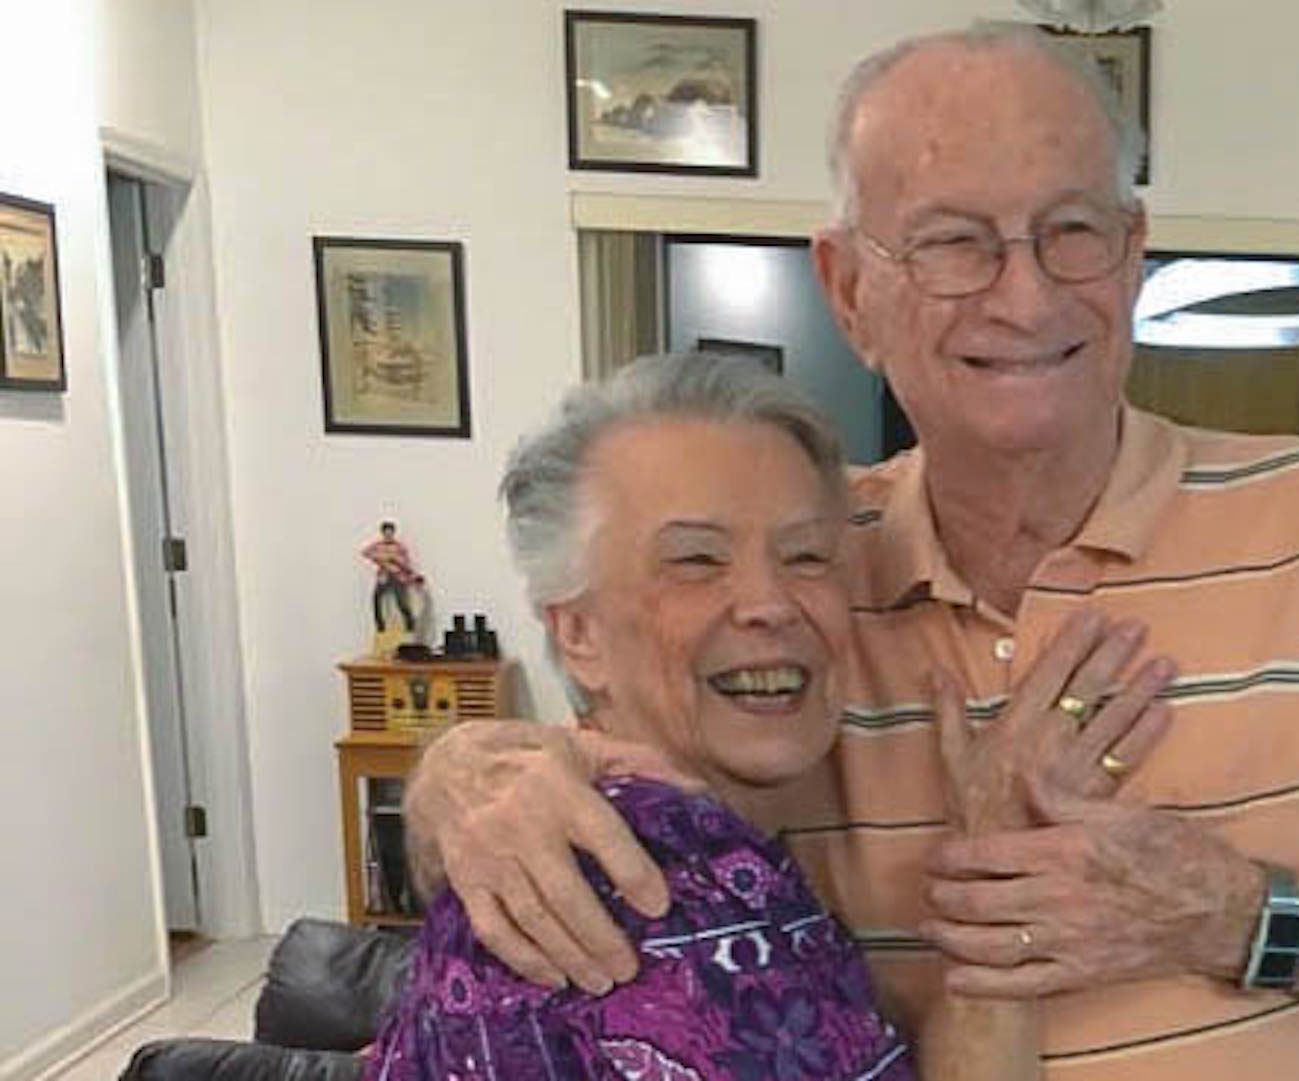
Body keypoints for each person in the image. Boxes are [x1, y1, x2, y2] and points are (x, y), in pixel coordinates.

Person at [404, 26, 1299, 1079]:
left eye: (1070, 233)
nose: (1023, 297)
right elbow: (605, 774)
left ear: (1131, 257)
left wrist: (1236, 913)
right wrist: (450, 777)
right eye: (954, 244)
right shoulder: (798, 574)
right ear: (849, 288)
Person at [368, 353, 1170, 1080]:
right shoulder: (640, 899)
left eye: (807, 555)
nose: (770, 602)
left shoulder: (720, 858)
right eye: (695, 559)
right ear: (577, 631)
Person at [361, 521, 424, 634]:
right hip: (384, 576)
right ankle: (380, 627)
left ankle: (410, 624)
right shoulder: (378, 545)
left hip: (397, 576)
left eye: (390, 533)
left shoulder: (399, 547)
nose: (388, 535)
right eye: (386, 533)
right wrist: (383, 558)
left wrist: (409, 573)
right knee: (376, 599)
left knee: (401, 602)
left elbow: (406, 565)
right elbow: (366, 552)